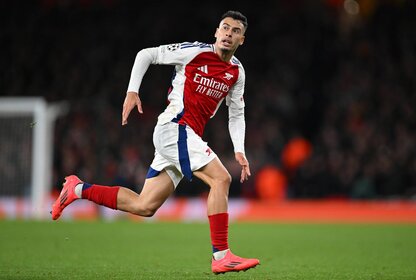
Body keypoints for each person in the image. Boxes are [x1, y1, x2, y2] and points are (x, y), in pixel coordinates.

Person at [52, 10, 260, 274]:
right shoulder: (194, 52)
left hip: (184, 135)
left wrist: (239, 150)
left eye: (235, 31)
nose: (229, 34)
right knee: (221, 179)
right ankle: (221, 255)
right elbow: (145, 54)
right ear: (216, 32)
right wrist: (132, 91)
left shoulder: (237, 72)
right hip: (174, 128)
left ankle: (78, 189)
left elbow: (237, 113)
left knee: (145, 205)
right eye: (225, 28)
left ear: (242, 39)